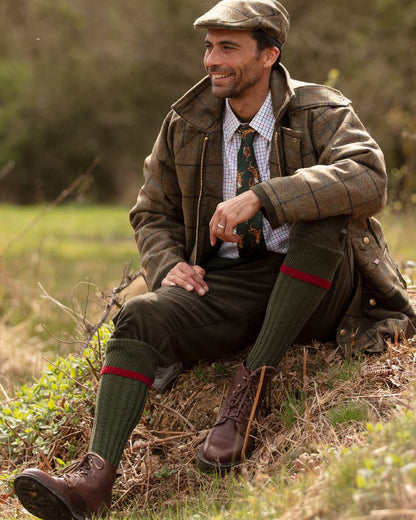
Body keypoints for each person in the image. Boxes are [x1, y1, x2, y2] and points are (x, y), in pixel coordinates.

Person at [14, 0, 416, 518]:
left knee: (320, 211)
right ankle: (93, 482)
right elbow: (151, 211)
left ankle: (250, 385)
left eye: (228, 47)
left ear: (269, 54)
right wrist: (167, 266)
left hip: (323, 284)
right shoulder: (185, 123)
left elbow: (369, 176)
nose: (211, 60)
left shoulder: (320, 110)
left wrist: (267, 196)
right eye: (209, 47)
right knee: (140, 315)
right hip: (233, 283)